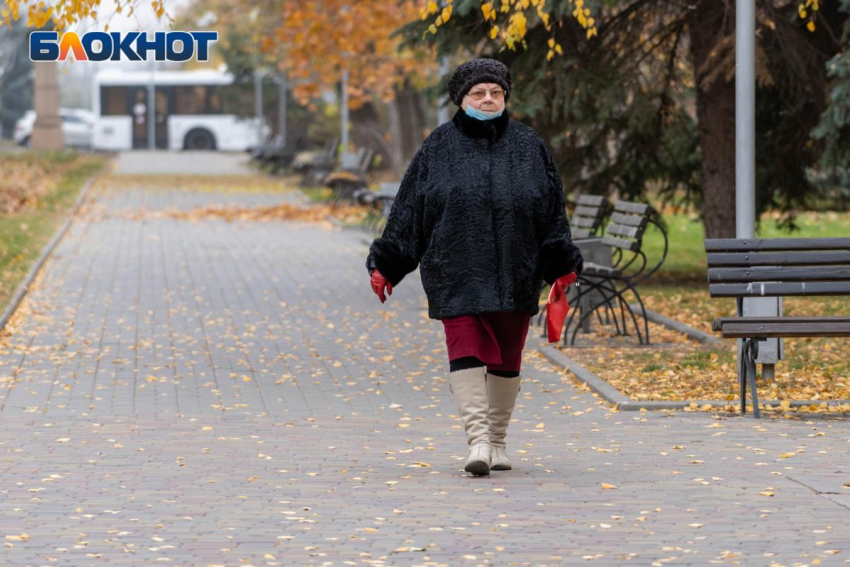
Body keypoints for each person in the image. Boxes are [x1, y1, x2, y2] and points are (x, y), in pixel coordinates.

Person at [366, 58, 583, 476]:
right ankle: (478, 441)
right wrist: (388, 263)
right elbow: (411, 210)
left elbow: (552, 211)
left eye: (495, 92)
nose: (488, 99)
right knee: (464, 347)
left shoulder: (529, 146)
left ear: (505, 97)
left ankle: (498, 441)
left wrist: (559, 260)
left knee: (507, 356)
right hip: (456, 267)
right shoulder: (438, 147)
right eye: (478, 93)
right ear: (461, 99)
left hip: (516, 268)